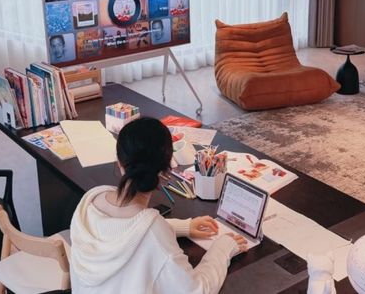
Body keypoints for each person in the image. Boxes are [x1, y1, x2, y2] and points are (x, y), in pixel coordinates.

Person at [70, 118, 248, 293]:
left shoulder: (90, 201)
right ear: (167, 168)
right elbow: (196, 290)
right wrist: (223, 248)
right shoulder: (154, 233)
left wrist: (183, 226)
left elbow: (125, 228)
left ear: (119, 162)